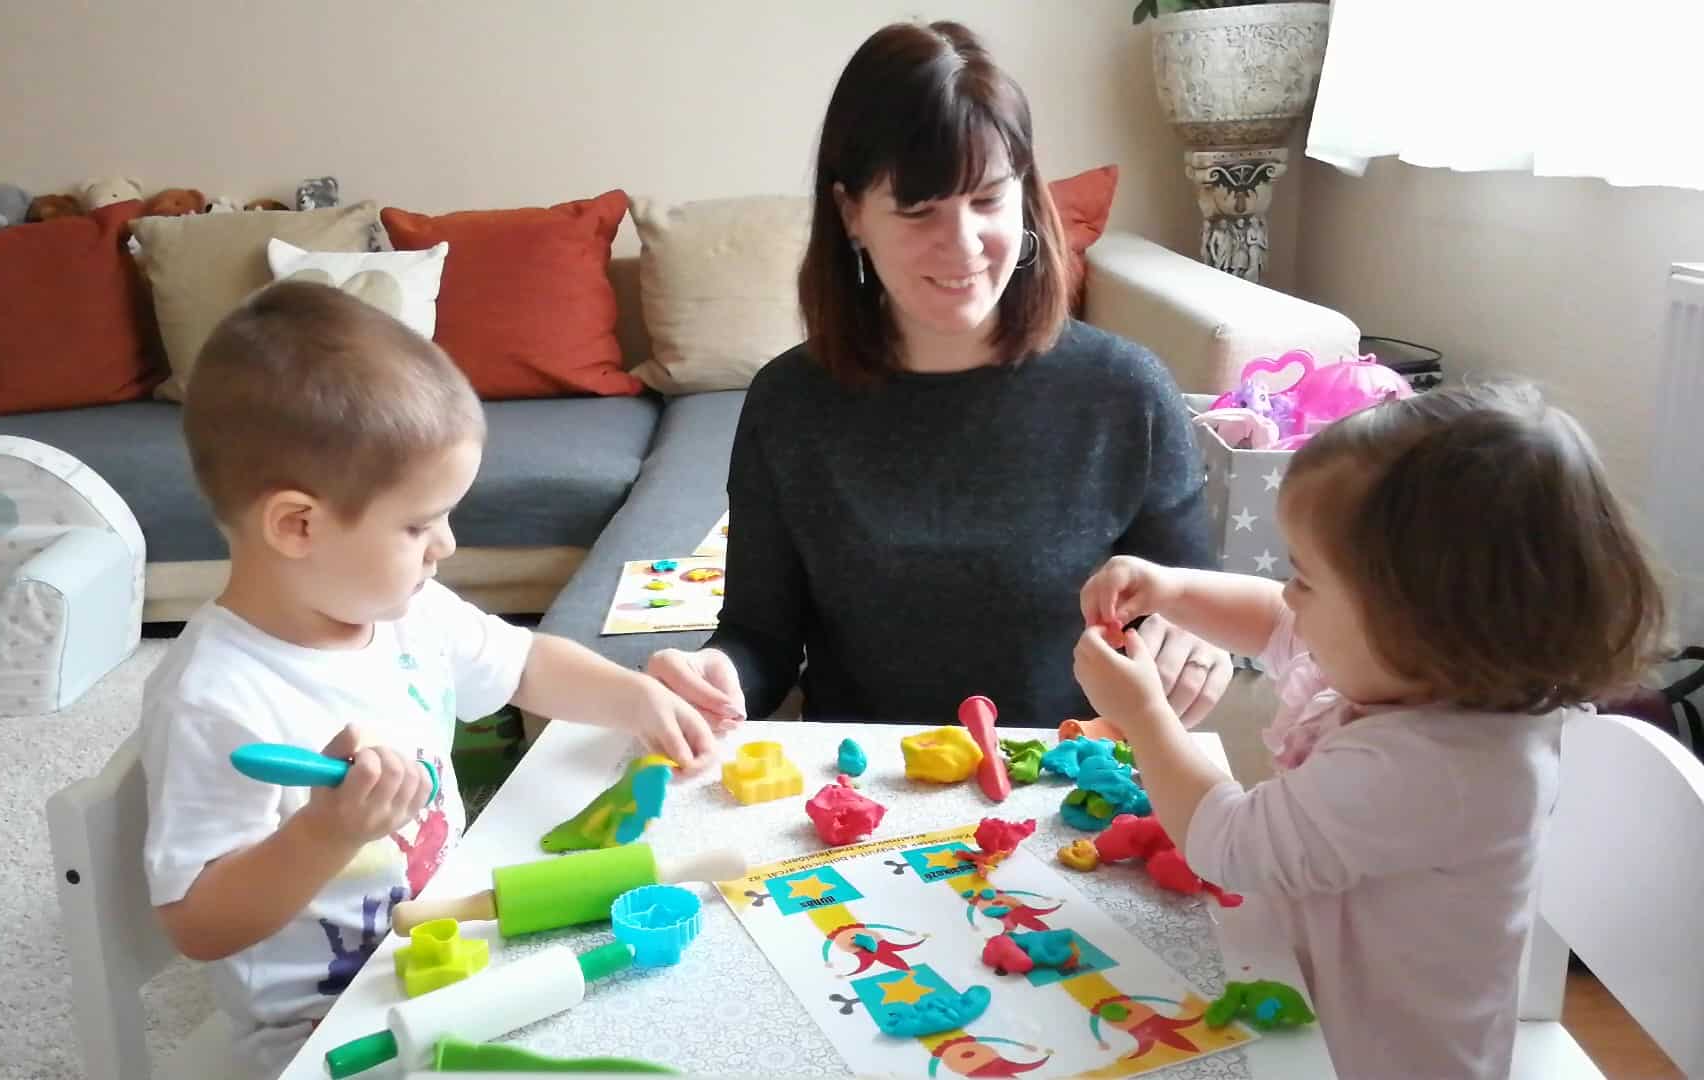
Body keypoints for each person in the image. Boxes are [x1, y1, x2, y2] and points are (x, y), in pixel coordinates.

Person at [139, 282, 723, 1076]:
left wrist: (636, 696)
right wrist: (326, 832)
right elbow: (197, 925)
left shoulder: (409, 611)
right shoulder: (215, 700)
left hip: (448, 941)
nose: (446, 544)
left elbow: (526, 664)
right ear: (298, 525)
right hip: (326, 1029)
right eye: (418, 524)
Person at [1072, 381, 1669, 1077]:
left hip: (1374, 1060)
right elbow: (1274, 620)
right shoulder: (1422, 673)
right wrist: (1172, 588)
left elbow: (1230, 844)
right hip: (1308, 1005)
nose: (1289, 594)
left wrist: (1145, 718)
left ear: (1418, 621)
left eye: (1305, 578)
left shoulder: (1440, 768)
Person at [647, 19, 1231, 728]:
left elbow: (1191, 612)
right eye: (919, 210)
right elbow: (760, 638)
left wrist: (1194, 647)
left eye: (987, 200)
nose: (962, 245)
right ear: (851, 214)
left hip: (1069, 774)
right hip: (857, 782)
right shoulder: (788, 402)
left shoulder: (1127, 393)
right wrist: (719, 675)